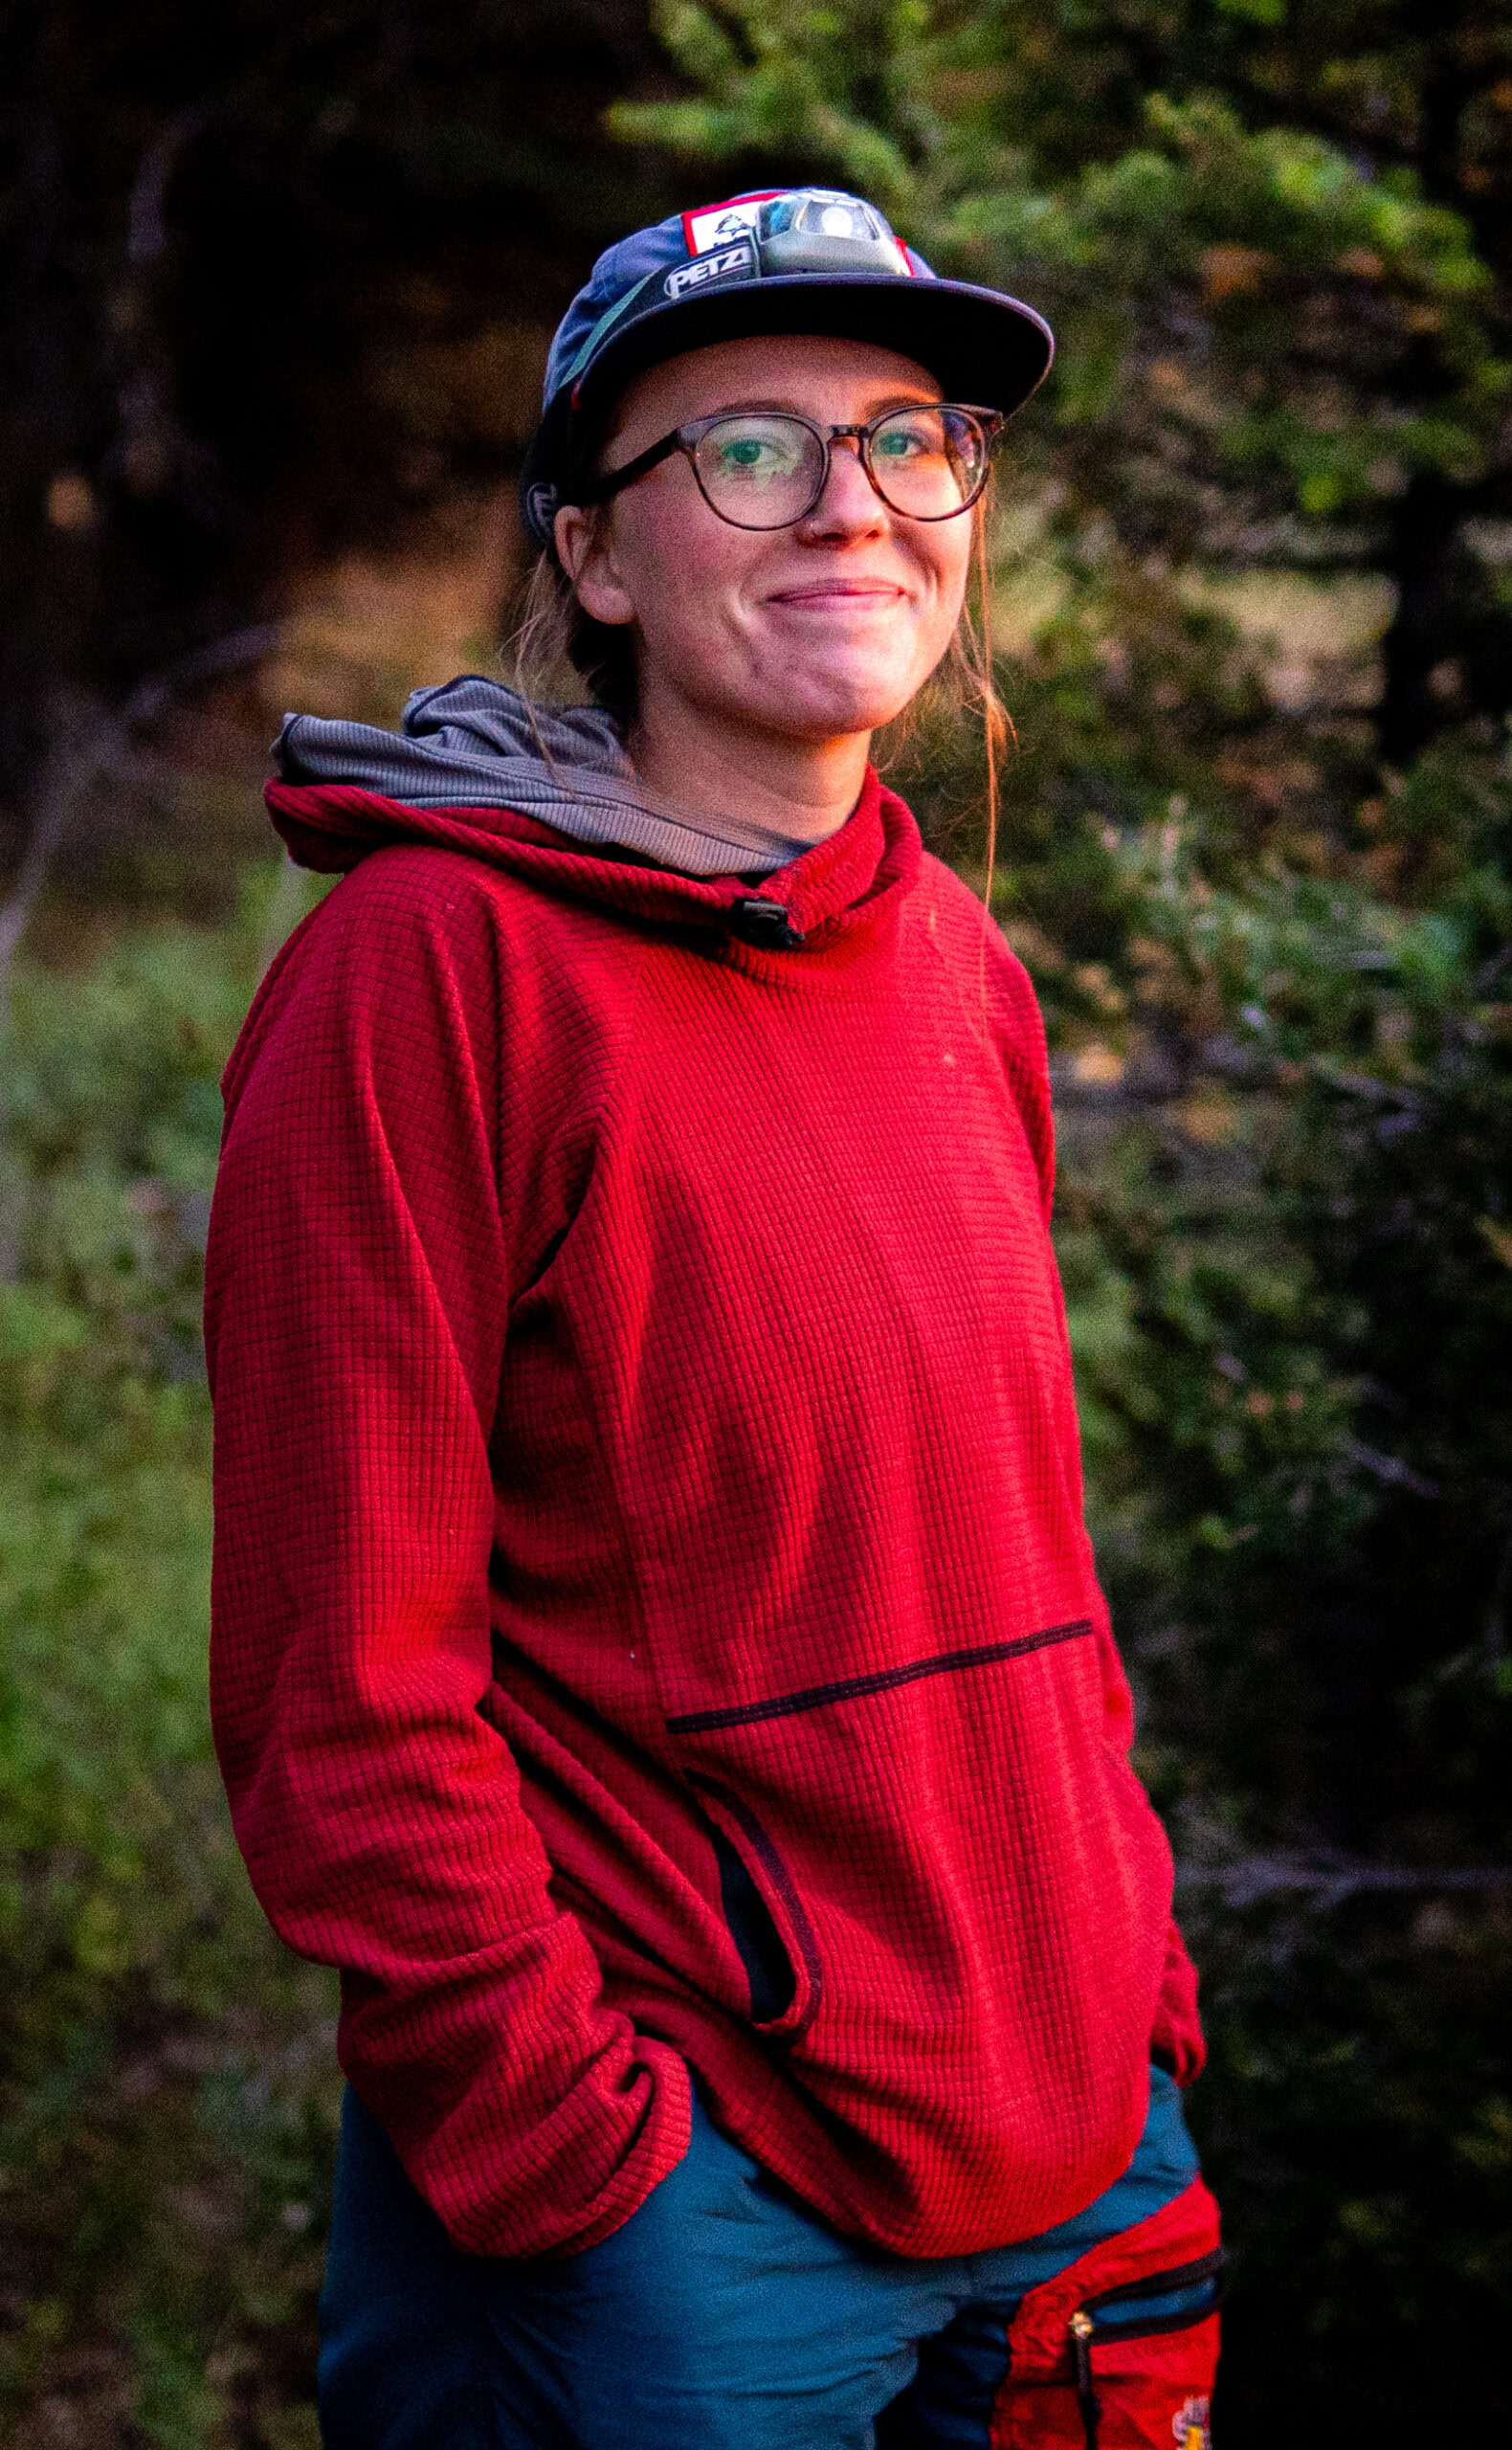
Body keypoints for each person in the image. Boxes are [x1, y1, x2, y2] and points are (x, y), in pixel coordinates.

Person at [205, 185, 1222, 2450]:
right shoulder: (430, 973)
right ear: (591, 554)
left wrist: (1133, 1984)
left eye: (906, 437)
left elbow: (1017, 1556)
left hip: (1077, 2138)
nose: (852, 504)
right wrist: (576, 2154)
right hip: (695, 2216)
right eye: (747, 450)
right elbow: (335, 1691)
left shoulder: (956, 961)